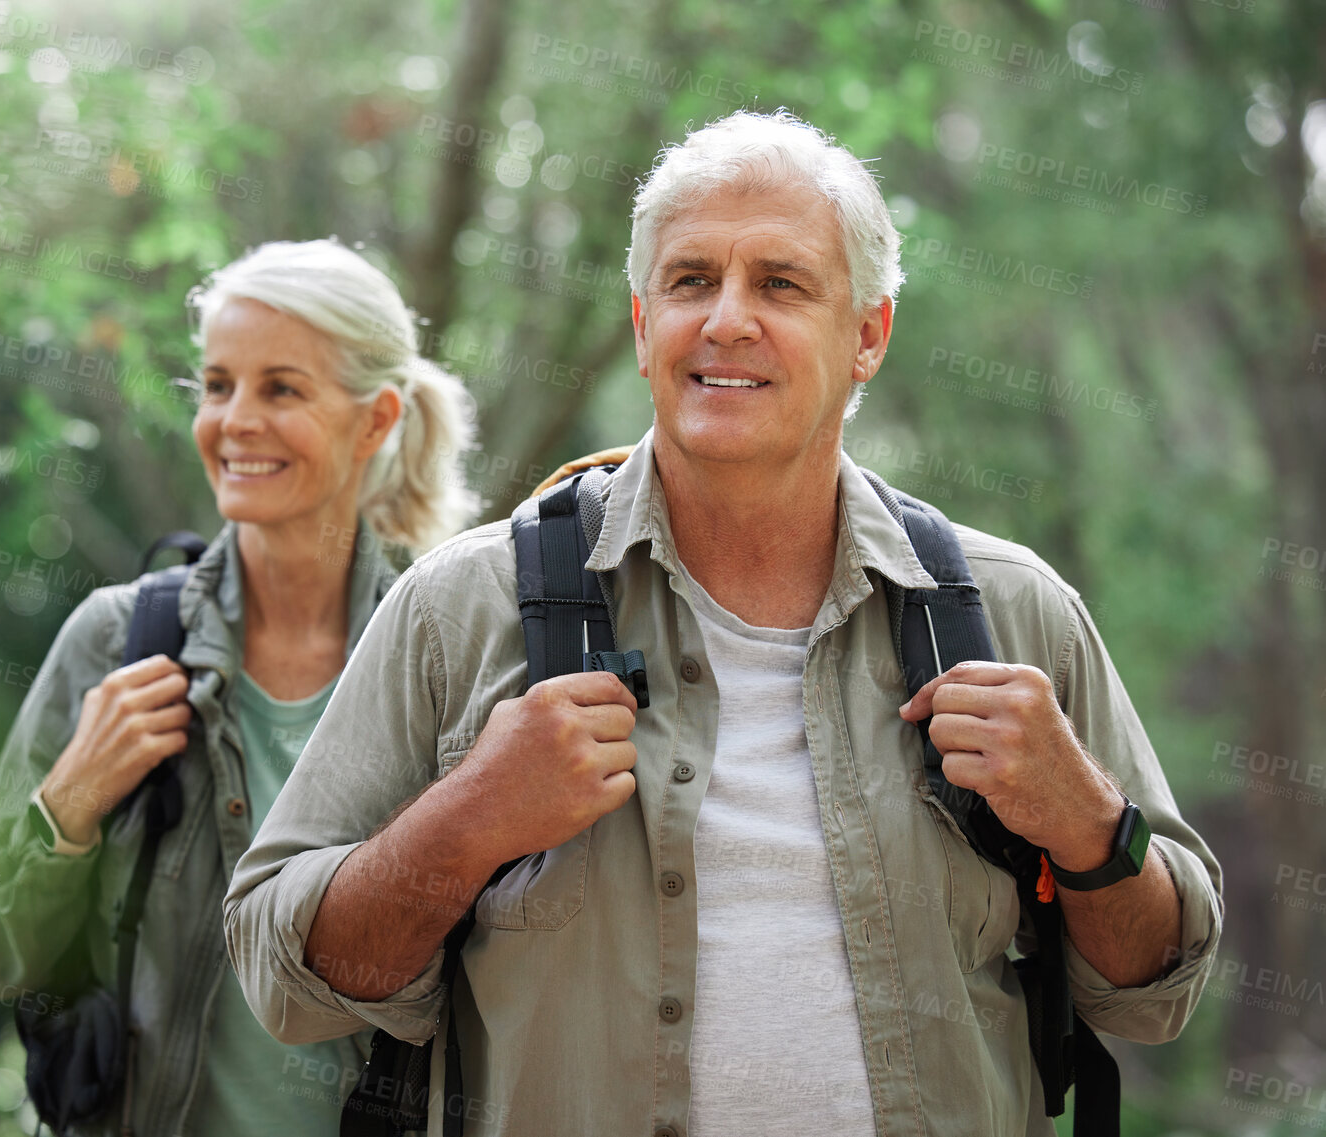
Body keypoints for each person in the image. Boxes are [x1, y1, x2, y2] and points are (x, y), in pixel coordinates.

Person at [223, 110, 1223, 1136]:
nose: (726, 320)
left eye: (779, 284)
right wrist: (471, 815)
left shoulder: (1011, 612)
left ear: (867, 334)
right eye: (690, 281)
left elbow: (1152, 993)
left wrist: (1087, 828)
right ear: (640, 322)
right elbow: (289, 984)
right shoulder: (456, 609)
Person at [0, 238, 478, 1136]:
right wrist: (68, 804)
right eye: (218, 385)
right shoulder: (118, 639)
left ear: (376, 420)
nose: (235, 420)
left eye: (281, 388)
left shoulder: (445, 662)